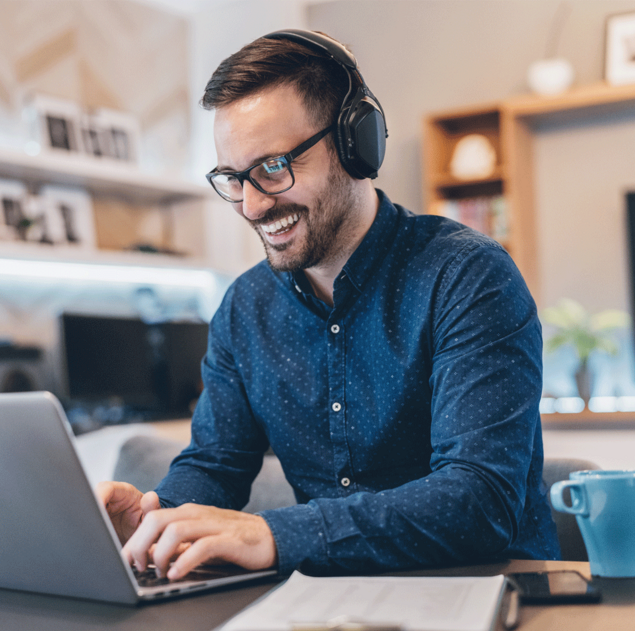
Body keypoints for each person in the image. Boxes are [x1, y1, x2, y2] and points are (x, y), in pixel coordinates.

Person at [97, 29, 560, 580]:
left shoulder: (468, 277)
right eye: (233, 178)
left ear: (354, 145)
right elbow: (215, 463)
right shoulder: (245, 307)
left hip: (488, 590)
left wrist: (276, 534)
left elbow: (480, 501)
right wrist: (156, 523)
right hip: (327, 602)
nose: (251, 205)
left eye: (272, 168)